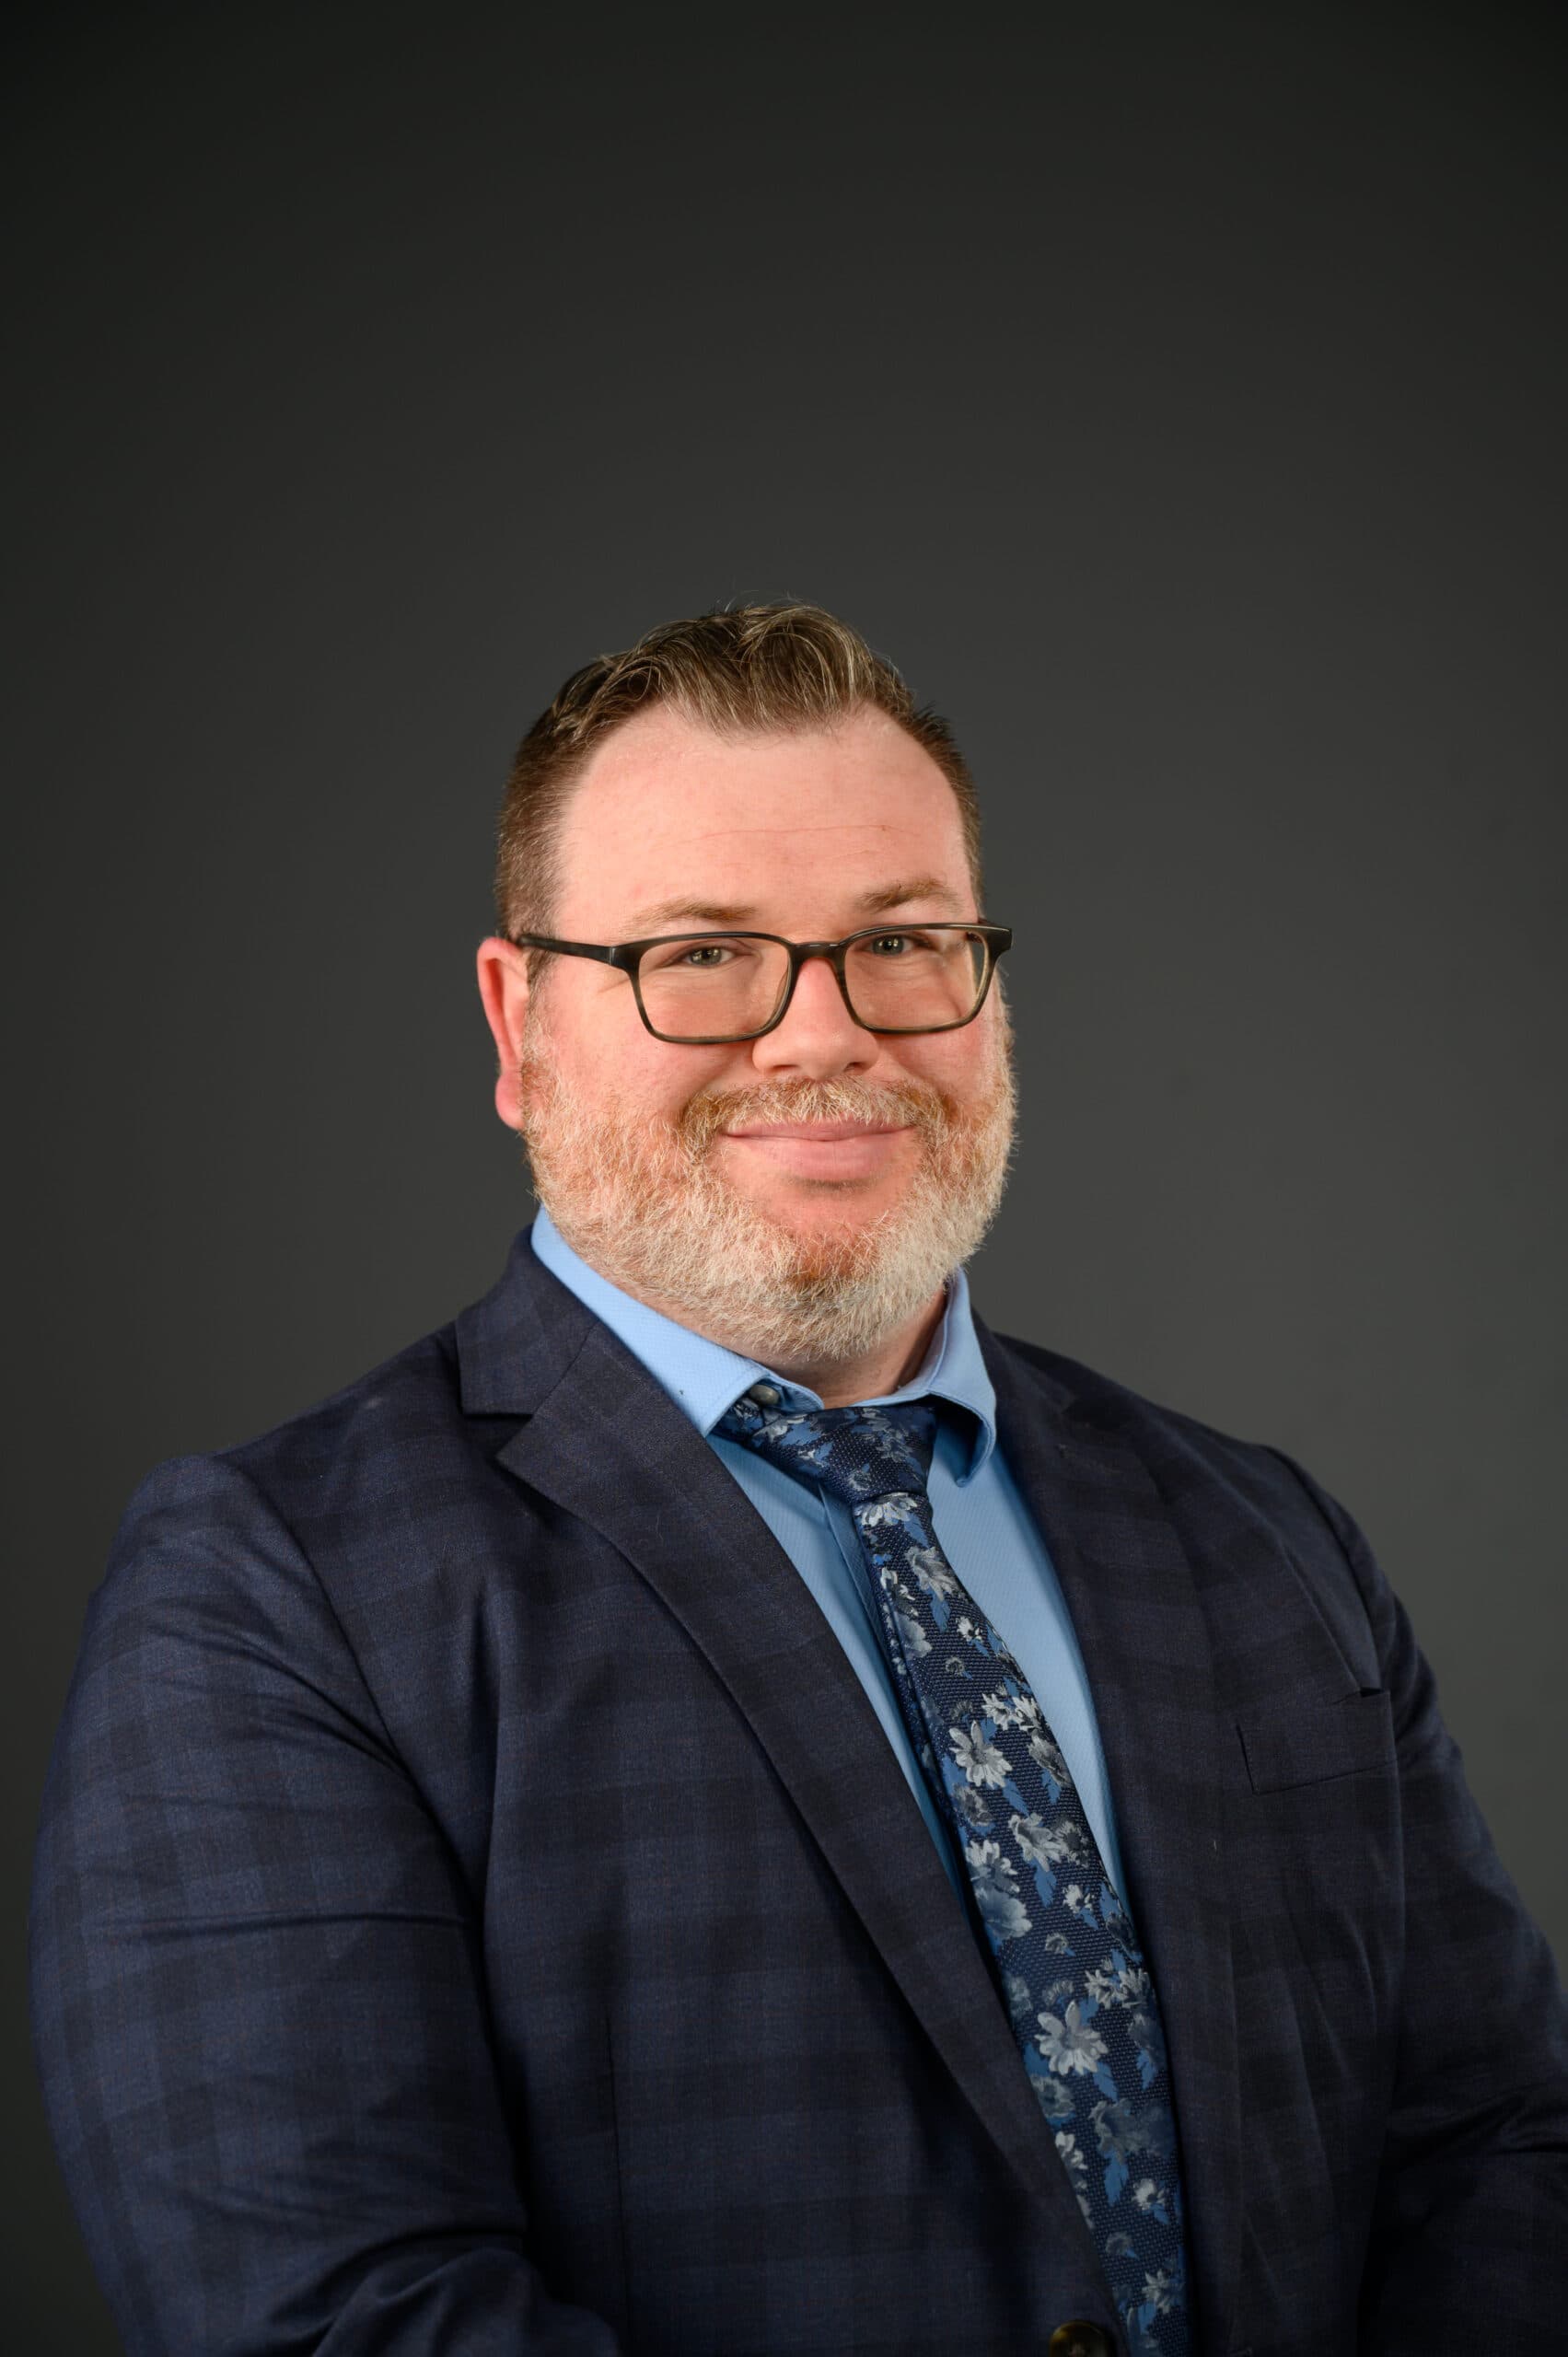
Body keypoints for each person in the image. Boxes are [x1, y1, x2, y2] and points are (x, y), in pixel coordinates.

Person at [31, 603, 1568, 2357]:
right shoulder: (276, 1593)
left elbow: (1495, 2151)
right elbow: (330, 2318)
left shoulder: (1260, 1537)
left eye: (902, 941)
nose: (824, 1036)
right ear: (519, 1019)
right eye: (701, 955)